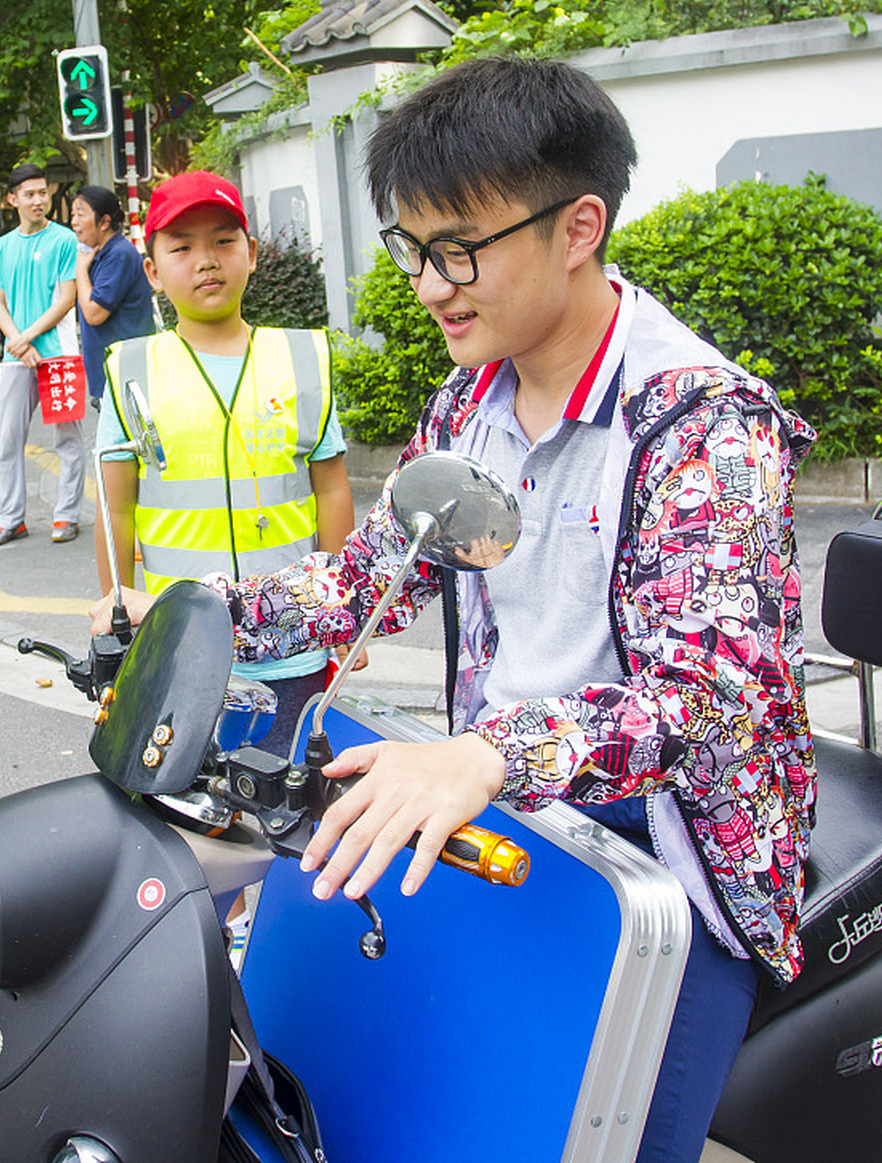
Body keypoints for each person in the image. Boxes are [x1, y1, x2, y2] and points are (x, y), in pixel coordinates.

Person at [96, 58, 815, 1163]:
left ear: (578, 226)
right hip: (506, 810)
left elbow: (706, 691)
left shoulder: (701, 422)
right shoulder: (473, 392)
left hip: (663, 855)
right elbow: (374, 570)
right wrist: (199, 619)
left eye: (459, 249)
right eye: (413, 248)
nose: (432, 285)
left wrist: (486, 750)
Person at [97, 169, 353, 751]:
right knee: (187, 822)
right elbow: (116, 511)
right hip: (180, 645)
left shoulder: (300, 357)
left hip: (295, 648)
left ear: (252, 253)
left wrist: (344, 611)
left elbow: (333, 489)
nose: (205, 261)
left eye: (222, 241)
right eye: (182, 247)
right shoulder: (132, 370)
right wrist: (118, 614)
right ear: (153, 271)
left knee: (291, 819)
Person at [0, 163, 86, 546]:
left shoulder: (62, 240)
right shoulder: (3, 247)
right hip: (16, 358)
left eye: (43, 192)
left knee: (68, 441)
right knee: (8, 439)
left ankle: (67, 515)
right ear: (12, 200)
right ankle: (11, 518)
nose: (38, 200)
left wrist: (25, 338)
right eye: (29, 194)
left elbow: (66, 298)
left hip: (58, 355)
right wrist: (18, 343)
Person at [69, 184, 155, 406]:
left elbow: (94, 314)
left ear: (104, 221)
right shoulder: (100, 254)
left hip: (125, 378)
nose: (74, 222)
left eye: (81, 214)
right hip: (112, 378)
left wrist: (80, 270)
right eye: (72, 215)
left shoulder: (119, 255)